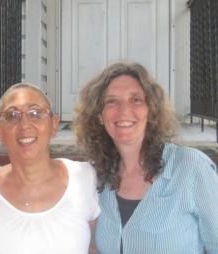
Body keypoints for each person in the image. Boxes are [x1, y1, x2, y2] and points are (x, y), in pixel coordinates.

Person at [73, 61, 218, 254]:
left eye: (136, 100)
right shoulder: (94, 178)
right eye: (111, 101)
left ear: (151, 111)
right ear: (99, 116)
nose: (124, 110)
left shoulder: (191, 167)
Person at [0, 83, 100, 254]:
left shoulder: (85, 178)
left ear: (54, 125)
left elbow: (94, 247)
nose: (25, 125)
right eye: (12, 115)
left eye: (35, 114)